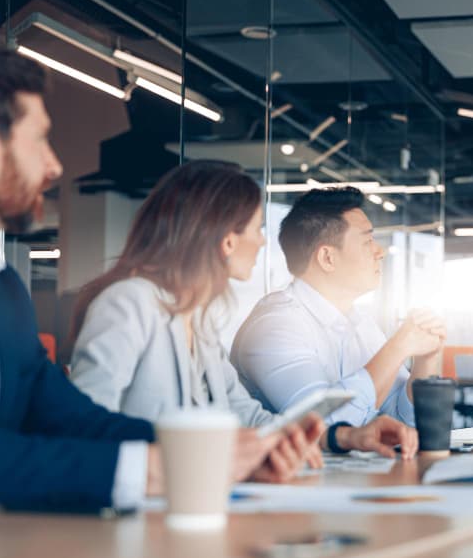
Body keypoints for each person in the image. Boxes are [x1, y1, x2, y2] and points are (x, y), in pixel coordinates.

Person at [0, 42, 312, 508]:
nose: (55, 165)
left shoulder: (0, 289)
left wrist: (219, 454)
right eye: (39, 139)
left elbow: (74, 420)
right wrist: (158, 471)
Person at [68, 160, 324, 472]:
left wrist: (336, 437)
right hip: (137, 500)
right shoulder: (129, 303)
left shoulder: (199, 322)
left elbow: (244, 413)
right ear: (228, 240)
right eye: (257, 228)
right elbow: (83, 422)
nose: (262, 241)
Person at [232, 187, 442, 457]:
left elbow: (404, 425)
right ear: (327, 258)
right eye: (368, 241)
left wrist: (423, 362)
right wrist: (398, 348)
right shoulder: (274, 325)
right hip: (291, 489)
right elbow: (326, 425)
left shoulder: (359, 323)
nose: (380, 252)